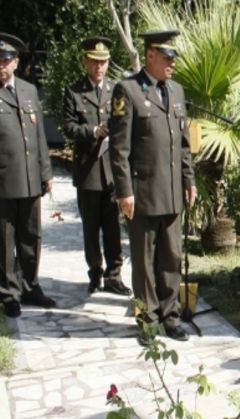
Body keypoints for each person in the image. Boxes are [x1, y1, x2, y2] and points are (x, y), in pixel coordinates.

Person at [109, 30, 196, 343]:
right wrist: (124, 191)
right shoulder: (128, 90)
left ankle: (170, 317)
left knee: (171, 258)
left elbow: (184, 145)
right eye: (166, 56)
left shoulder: (175, 90)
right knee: (144, 262)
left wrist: (189, 180)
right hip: (142, 193)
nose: (172, 62)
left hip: (172, 192)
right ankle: (147, 320)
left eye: (174, 57)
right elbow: (119, 149)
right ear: (149, 55)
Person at [63, 37, 130, 296]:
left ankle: (115, 276)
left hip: (112, 171)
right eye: (94, 62)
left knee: (113, 227)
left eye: (103, 62)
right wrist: (92, 130)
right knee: (91, 228)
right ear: (85, 62)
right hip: (88, 169)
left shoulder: (116, 90)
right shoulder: (74, 91)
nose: (99, 67)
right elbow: (68, 127)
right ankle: (95, 274)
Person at [0, 33, 55, 318]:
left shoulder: (28, 91)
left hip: (32, 180)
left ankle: (30, 285)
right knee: (4, 240)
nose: (2, 65)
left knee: (31, 236)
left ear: (16, 62)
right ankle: (9, 293)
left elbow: (39, 136)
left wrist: (46, 173)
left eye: (7, 59)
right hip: (4, 183)